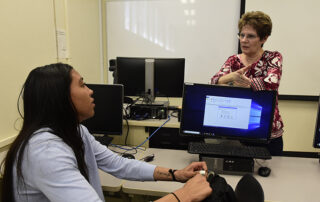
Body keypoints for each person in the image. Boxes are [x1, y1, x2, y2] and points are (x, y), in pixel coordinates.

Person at [1, 63, 212, 202]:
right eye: (82, 85)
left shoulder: (76, 131)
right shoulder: (45, 152)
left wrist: (176, 174)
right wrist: (182, 196)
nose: (91, 90)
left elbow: (118, 164)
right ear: (60, 99)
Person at [211, 11, 284, 156]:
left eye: (250, 36)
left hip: (267, 134)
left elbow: (271, 82)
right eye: (241, 35)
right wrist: (230, 77)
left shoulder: (273, 57)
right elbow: (213, 82)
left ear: (264, 38)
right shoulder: (233, 60)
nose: (244, 40)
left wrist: (234, 83)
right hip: (236, 131)